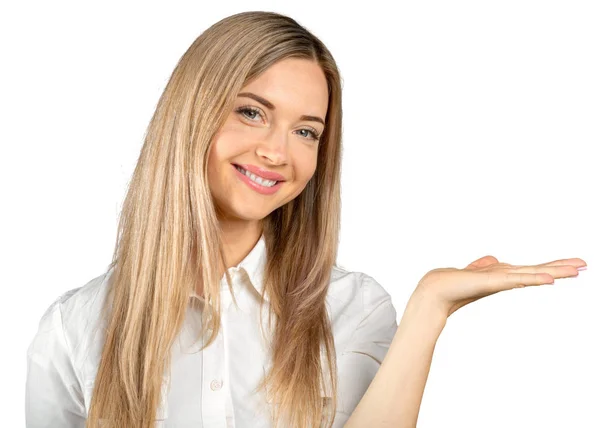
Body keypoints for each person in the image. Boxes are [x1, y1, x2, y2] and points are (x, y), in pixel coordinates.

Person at [25, 10, 587, 428]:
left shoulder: (352, 308)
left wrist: (430, 308)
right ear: (191, 113)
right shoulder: (74, 328)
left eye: (306, 131)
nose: (277, 152)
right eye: (251, 112)